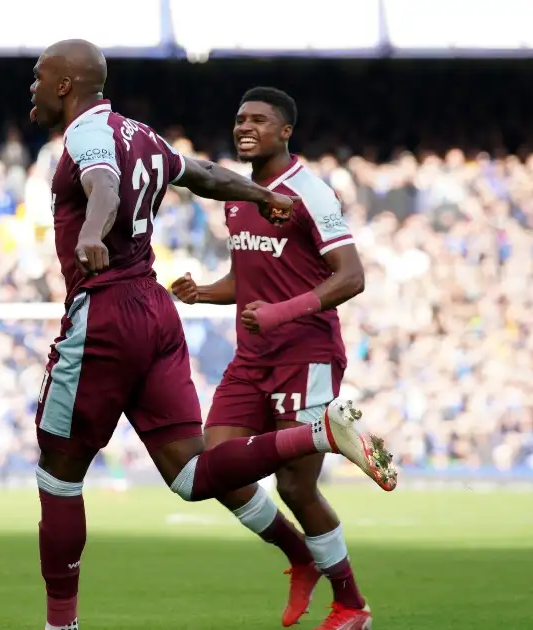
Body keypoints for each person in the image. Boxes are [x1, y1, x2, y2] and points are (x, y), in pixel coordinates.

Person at [29, 41, 397, 630]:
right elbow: (201, 175)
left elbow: (100, 184)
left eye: (39, 76)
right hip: (161, 314)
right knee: (197, 474)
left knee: (57, 473)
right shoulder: (145, 136)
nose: (33, 87)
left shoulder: (87, 135)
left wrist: (94, 233)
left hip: (117, 312)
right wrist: (256, 197)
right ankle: (302, 541)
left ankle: (60, 626)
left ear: (67, 84)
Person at [172, 87, 377, 630]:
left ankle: (352, 605)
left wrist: (282, 313)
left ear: (285, 131)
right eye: (240, 119)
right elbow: (249, 278)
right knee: (211, 470)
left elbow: (351, 277)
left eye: (259, 120)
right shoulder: (238, 194)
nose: (246, 127)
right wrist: (205, 292)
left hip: (305, 354)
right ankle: (300, 556)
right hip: (253, 356)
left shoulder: (311, 192)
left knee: (294, 486)